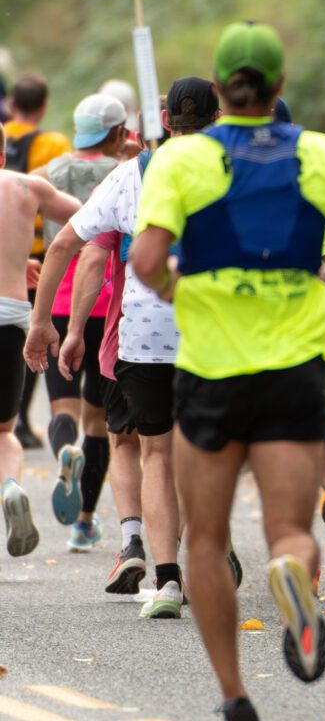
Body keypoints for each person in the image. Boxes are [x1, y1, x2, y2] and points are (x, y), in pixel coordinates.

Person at [130, 22, 325, 721]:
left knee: (206, 541)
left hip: (210, 371)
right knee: (291, 529)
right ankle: (290, 574)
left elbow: (146, 262)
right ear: (278, 86)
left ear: (216, 90)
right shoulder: (321, 154)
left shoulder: (179, 162)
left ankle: (235, 696)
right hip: (294, 369)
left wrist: (190, 290)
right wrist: (316, 273)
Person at [30, 78, 220, 610]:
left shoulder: (132, 172)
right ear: (218, 117)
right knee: (205, 449)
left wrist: (46, 321)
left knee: (154, 451)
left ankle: (167, 580)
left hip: (146, 334)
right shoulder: (237, 171)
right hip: (221, 333)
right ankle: (213, 553)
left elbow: (70, 243)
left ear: (164, 118)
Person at [25, 94, 127, 532]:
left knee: (62, 409)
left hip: (60, 295)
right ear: (119, 132)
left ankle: (66, 451)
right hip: (106, 294)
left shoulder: (49, 172)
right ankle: (86, 519)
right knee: (99, 420)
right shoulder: (125, 173)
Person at [0, 121, 80, 558]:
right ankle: (10, 487)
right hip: (11, 314)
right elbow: (86, 213)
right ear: (3, 154)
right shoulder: (24, 186)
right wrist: (25, 260)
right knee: (4, 430)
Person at [3, 73, 72, 449]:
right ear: (44, 107)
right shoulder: (54, 143)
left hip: (4, 250)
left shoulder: (3, 133)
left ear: (12, 104)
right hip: (39, 251)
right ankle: (21, 420)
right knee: (28, 334)